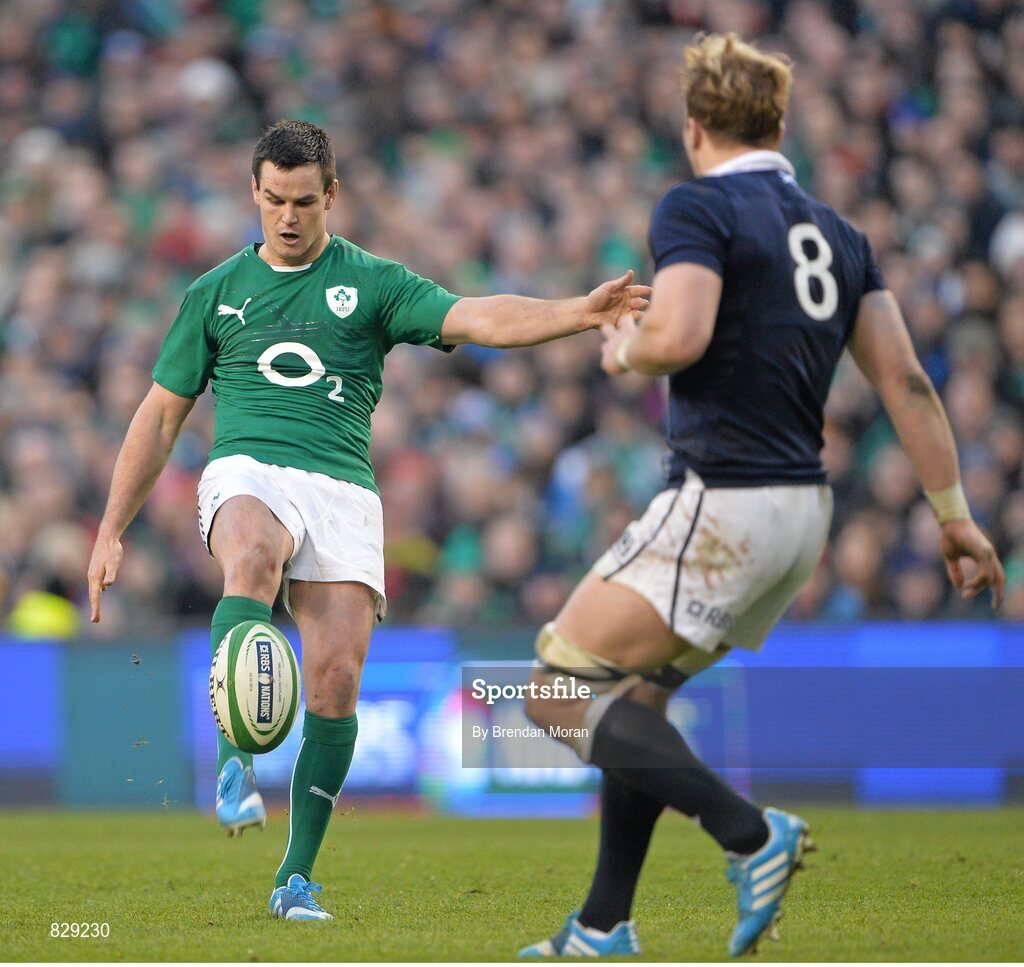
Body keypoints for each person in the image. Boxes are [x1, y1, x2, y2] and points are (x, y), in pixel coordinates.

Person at [86, 119, 650, 922]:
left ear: (332, 196)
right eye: (274, 200)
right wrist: (111, 527)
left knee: (338, 681)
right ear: (254, 192)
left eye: (304, 202)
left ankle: (296, 877)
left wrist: (579, 311)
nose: (287, 216)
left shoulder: (374, 283)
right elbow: (159, 416)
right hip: (248, 467)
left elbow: (478, 317)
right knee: (249, 555)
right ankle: (233, 761)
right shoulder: (212, 294)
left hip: (344, 489)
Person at [518, 33, 1005, 959]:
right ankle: (601, 926)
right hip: (801, 515)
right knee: (641, 697)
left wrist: (627, 347)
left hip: (725, 499)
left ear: (694, 127)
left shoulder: (698, 206)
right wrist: (953, 513)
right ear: (780, 122)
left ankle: (749, 833)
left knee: (549, 691)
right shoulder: (840, 234)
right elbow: (906, 381)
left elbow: (682, 330)